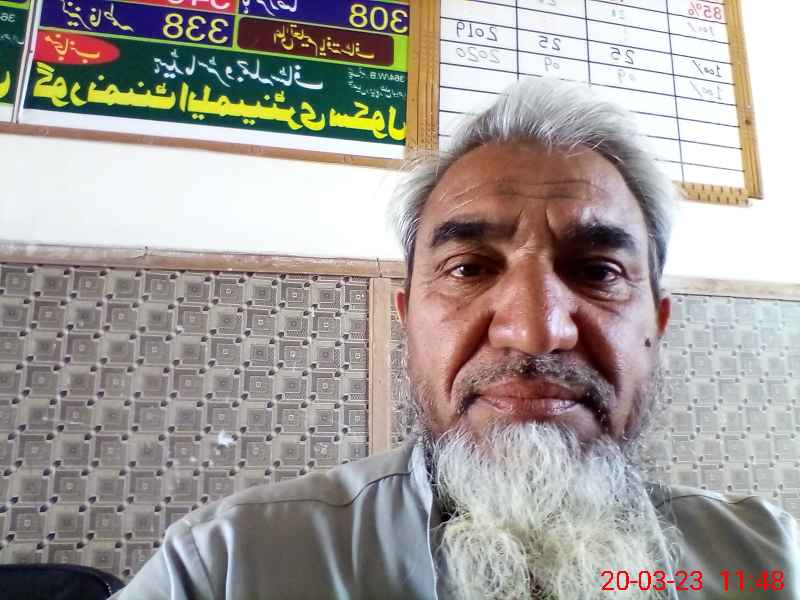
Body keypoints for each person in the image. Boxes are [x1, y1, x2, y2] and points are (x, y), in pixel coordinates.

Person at [112, 78, 799, 600]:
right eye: (469, 268)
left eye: (597, 271)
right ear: (408, 318)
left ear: (658, 323)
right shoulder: (227, 567)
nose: (535, 330)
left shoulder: (770, 563)